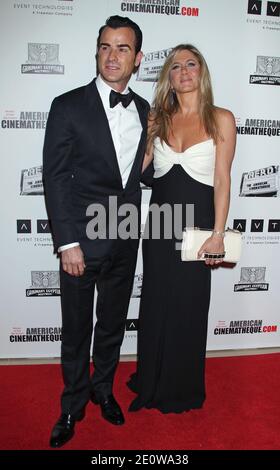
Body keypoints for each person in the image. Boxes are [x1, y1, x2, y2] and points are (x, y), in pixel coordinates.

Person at [43, 15, 149, 448]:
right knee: (75, 328)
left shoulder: (146, 110)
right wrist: (68, 242)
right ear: (97, 52)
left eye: (123, 48)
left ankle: (103, 390)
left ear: (138, 58)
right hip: (81, 243)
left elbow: (142, 172)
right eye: (106, 46)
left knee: (111, 325)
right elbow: (55, 178)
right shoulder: (67, 105)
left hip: (125, 238)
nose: (113, 55)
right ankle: (72, 404)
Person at [127, 44, 236, 413]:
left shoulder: (221, 118)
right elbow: (140, 170)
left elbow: (222, 180)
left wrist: (218, 234)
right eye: (176, 66)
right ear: (168, 77)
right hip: (159, 225)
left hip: (197, 230)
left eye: (191, 64)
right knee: (155, 303)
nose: (184, 71)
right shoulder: (157, 118)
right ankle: (150, 379)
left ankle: (180, 386)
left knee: (188, 306)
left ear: (201, 72)